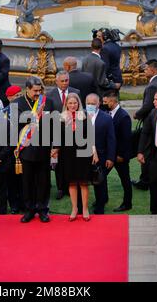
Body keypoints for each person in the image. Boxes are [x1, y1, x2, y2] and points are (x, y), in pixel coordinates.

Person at [14, 76, 55, 223]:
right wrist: (34, 117)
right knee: (27, 182)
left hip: (44, 149)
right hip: (27, 149)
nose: (38, 93)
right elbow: (16, 123)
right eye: (35, 91)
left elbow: (54, 125)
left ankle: (43, 209)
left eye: (40, 90)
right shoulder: (17, 103)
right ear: (27, 89)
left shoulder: (48, 102)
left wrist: (55, 145)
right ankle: (30, 209)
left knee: (44, 181)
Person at [133, 59, 157, 191]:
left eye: (146, 69)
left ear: (153, 70)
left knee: (147, 152)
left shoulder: (152, 86)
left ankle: (144, 181)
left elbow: (148, 106)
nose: (144, 70)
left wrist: (137, 114)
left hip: (152, 122)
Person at [57, 93, 95, 221]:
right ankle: (74, 208)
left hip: (83, 153)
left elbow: (91, 136)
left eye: (75, 103)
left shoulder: (84, 116)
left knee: (84, 182)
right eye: (70, 103)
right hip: (67, 154)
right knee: (72, 182)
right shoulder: (60, 118)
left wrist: (94, 152)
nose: (73, 105)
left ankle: (85, 208)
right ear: (66, 104)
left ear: (78, 104)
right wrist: (55, 150)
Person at [46, 71, 80, 200]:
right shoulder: (49, 95)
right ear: (56, 81)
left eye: (67, 80)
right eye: (62, 81)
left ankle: (72, 185)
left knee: (72, 161)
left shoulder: (76, 92)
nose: (65, 83)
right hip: (56, 134)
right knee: (59, 163)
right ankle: (61, 187)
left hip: (73, 133)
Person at [102, 91, 133, 212]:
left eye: (105, 102)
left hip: (120, 156)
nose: (103, 104)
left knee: (125, 180)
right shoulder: (106, 112)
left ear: (112, 101)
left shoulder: (124, 116)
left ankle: (127, 203)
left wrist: (121, 155)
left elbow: (126, 139)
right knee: (101, 177)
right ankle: (102, 199)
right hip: (109, 154)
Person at [85, 93, 115, 214]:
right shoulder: (80, 116)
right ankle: (82, 206)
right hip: (83, 155)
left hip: (101, 156)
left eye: (93, 103)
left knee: (100, 182)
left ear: (99, 103)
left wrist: (110, 157)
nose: (90, 105)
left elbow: (111, 139)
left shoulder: (106, 118)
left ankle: (100, 206)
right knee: (82, 181)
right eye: (88, 103)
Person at [2, 85, 24, 214]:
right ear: (9, 98)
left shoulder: (25, 110)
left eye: (20, 95)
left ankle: (24, 202)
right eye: (16, 96)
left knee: (24, 179)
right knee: (11, 179)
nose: (18, 98)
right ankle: (14, 205)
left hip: (24, 148)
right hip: (9, 151)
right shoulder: (3, 112)